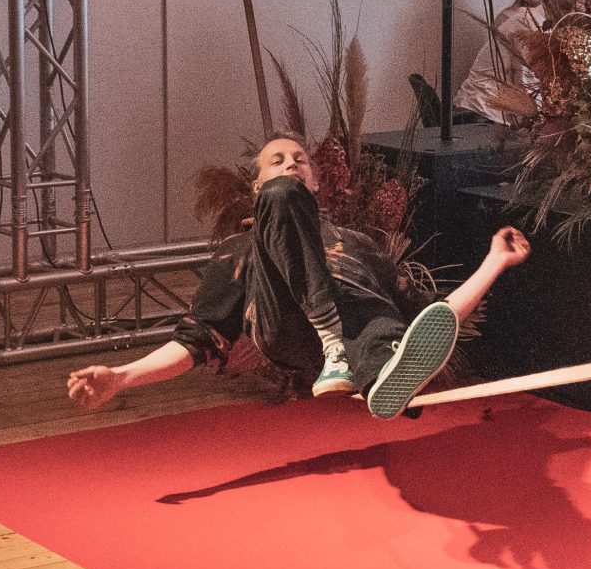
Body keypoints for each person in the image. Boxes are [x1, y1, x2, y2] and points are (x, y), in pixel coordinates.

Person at [65, 133, 532, 421]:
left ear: (316, 182)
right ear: (255, 188)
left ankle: (383, 375)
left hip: (359, 337)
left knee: (382, 324)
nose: (291, 163)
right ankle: (336, 341)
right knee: (281, 203)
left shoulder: (358, 244)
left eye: (299, 159)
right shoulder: (239, 252)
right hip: (289, 326)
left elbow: (432, 317)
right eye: (277, 161)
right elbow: (198, 340)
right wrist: (123, 377)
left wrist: (494, 261)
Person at [455, 0, 561, 122]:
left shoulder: (541, 19)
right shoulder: (520, 19)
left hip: (485, 110)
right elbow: (522, 80)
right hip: (482, 112)